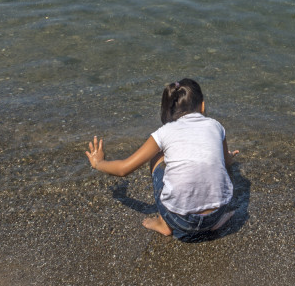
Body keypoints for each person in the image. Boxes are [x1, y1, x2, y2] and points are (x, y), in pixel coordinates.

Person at [85, 78, 238, 240]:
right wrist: (226, 156)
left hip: (180, 220)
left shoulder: (164, 132)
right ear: (202, 105)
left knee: (157, 156)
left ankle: (163, 223)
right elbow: (227, 163)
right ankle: (215, 221)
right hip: (216, 214)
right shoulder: (216, 126)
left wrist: (98, 163)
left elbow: (123, 169)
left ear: (169, 109)